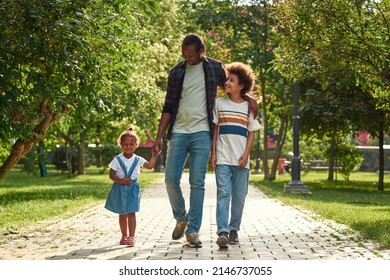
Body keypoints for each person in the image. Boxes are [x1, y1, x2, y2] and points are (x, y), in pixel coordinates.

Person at [153, 33, 258, 248]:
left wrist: (249, 99)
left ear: (201, 51)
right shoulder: (176, 72)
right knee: (170, 179)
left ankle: (192, 231)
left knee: (197, 183)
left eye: (191, 54)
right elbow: (168, 106)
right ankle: (181, 217)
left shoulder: (214, 68)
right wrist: (159, 136)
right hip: (179, 131)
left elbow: (233, 87)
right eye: (184, 54)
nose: (187, 58)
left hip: (203, 132)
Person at [210, 62, 261, 249]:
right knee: (223, 193)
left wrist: (246, 155)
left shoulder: (248, 107)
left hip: (241, 161)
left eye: (232, 80)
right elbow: (216, 131)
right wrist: (213, 154)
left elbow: (251, 132)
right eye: (227, 80)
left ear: (241, 86)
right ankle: (222, 231)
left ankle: (234, 230)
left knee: (239, 196)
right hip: (223, 157)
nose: (227, 83)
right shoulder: (218, 104)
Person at [105, 128, 160, 246]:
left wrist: (154, 156)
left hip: (133, 189)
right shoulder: (117, 159)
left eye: (131, 144)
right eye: (125, 144)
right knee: (122, 213)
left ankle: (131, 237)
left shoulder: (138, 159)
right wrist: (121, 180)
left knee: (131, 213)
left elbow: (149, 166)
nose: (128, 147)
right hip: (119, 188)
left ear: (136, 144)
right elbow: (111, 175)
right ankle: (124, 236)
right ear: (121, 145)